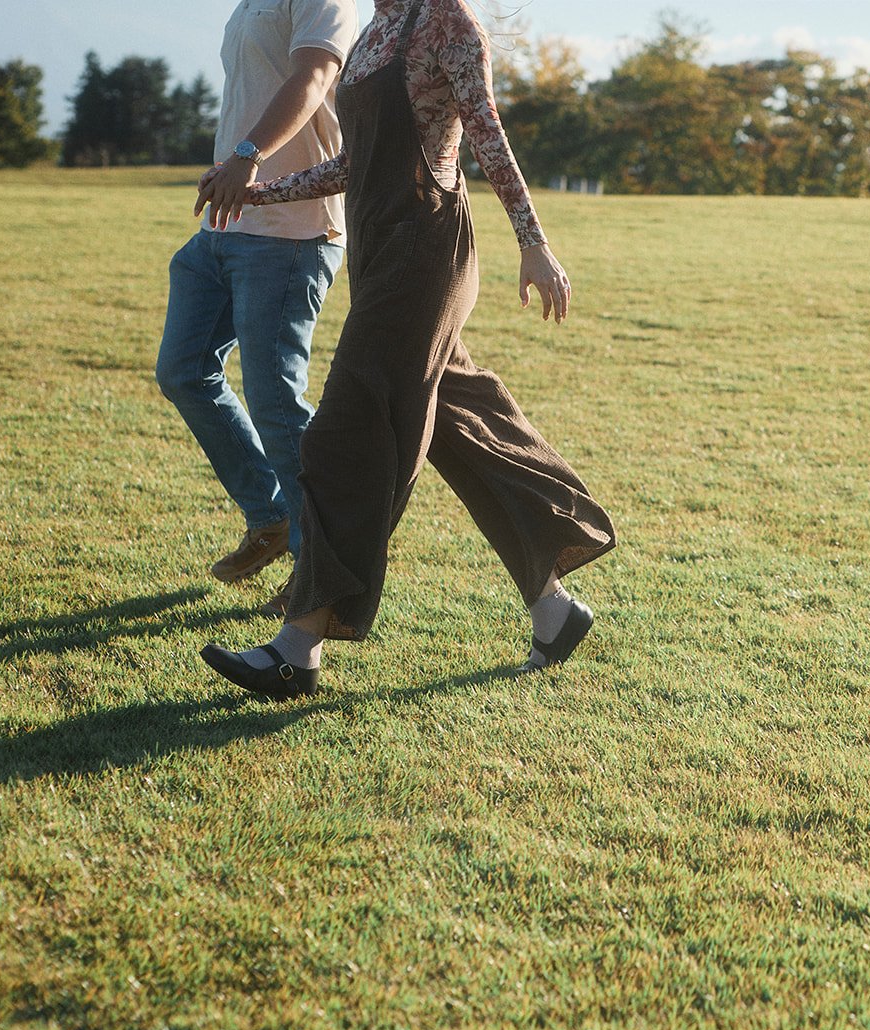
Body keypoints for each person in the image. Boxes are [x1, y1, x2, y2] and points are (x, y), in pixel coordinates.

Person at [200, 0, 616, 698]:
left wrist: (534, 243)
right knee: (461, 423)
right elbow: (355, 163)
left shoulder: (446, 22)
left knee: (343, 434)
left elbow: (487, 135)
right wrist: (262, 192)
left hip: (425, 252)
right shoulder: (374, 33)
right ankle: (554, 609)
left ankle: (296, 646)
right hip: (379, 252)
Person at [156, 0, 358, 612]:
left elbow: (314, 75)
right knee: (184, 370)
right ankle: (270, 518)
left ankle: (320, 569)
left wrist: (246, 154)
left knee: (274, 399)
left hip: (293, 232)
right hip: (228, 226)